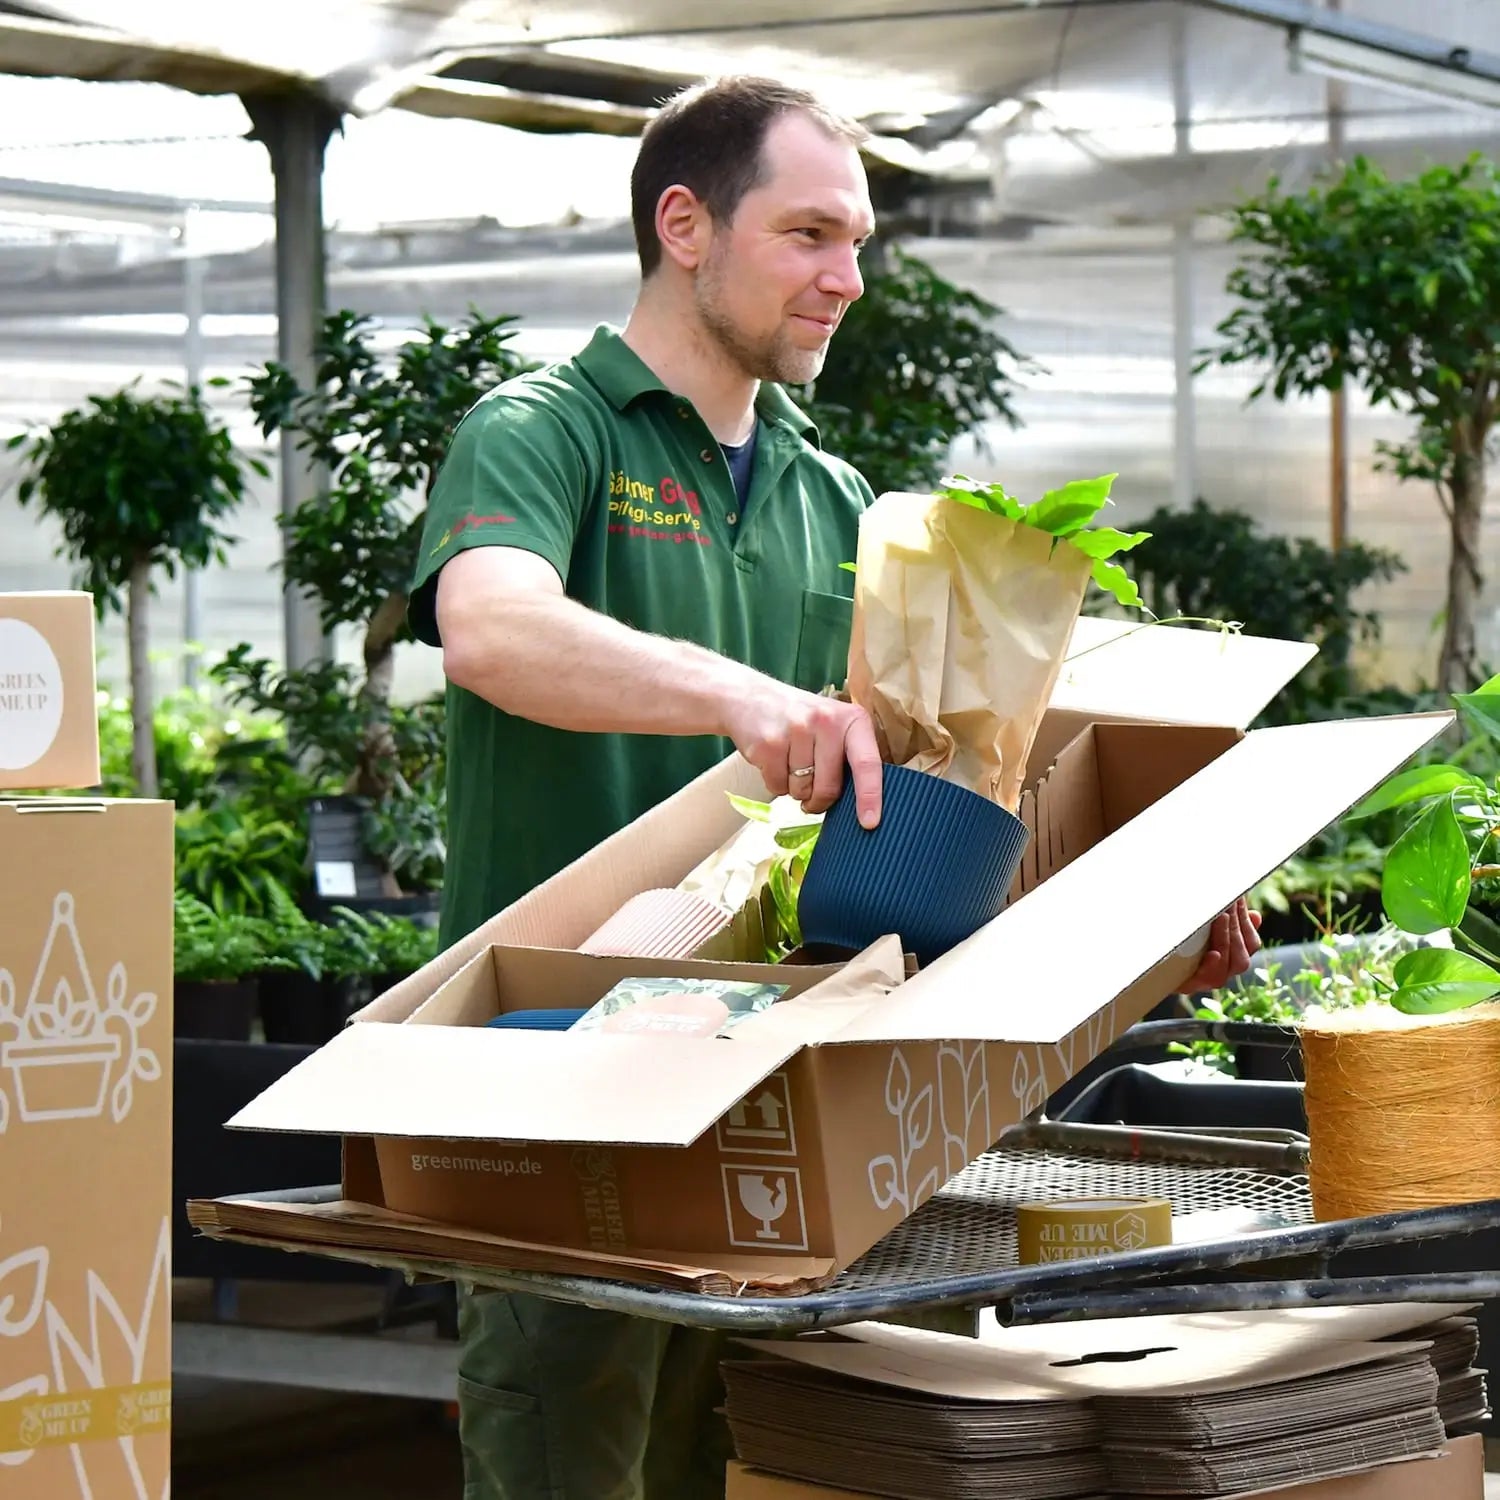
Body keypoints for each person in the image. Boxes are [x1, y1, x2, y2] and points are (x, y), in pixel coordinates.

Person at [409, 75, 1262, 1500]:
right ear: (683, 224)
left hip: (770, 1084)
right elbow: (494, 628)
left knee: (760, 1459)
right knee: (570, 1445)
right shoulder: (548, 428)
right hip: (554, 1080)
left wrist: (1159, 879)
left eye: (856, 241)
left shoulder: (832, 493)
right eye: (810, 235)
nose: (848, 279)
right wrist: (742, 697)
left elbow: (933, 770)